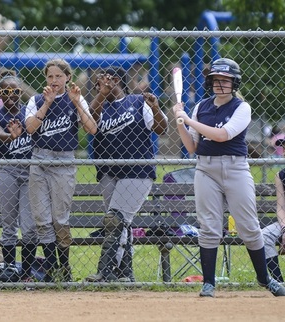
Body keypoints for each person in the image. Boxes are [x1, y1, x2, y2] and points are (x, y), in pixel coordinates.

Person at [172, 57, 285, 297]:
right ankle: (209, 283)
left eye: (225, 80)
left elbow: (224, 135)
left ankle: (265, 279)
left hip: (235, 169)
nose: (220, 84)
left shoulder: (241, 108)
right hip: (205, 169)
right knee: (209, 226)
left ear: (234, 83)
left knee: (249, 227)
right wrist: (180, 121)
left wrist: (189, 120)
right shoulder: (201, 107)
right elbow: (192, 147)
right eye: (216, 80)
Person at [85, 67, 168, 283]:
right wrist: (101, 95)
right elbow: (89, 126)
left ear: (117, 80)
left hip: (137, 169)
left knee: (116, 220)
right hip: (107, 171)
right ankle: (125, 273)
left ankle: (105, 270)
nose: (100, 85)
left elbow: (161, 128)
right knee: (121, 223)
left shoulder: (138, 102)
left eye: (105, 81)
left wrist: (156, 109)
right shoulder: (97, 105)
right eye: (97, 83)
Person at [24, 58, 97, 282]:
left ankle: (65, 268)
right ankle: (51, 268)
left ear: (67, 78)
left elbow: (91, 129)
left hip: (64, 163)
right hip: (40, 160)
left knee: (60, 218)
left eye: (59, 76)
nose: (54, 80)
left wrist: (76, 103)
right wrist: (46, 104)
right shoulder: (36, 100)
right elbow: (29, 128)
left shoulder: (76, 98)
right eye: (50, 76)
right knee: (42, 219)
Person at [0, 75, 38, 281]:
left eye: (16, 92)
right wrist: (12, 136)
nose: (10, 96)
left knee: (29, 227)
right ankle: (10, 270)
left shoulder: (30, 112)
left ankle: (26, 274)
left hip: (30, 172)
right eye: (5, 92)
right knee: (9, 224)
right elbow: (0, 134)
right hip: (7, 170)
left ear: (22, 93)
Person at [262, 169, 285, 283]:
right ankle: (279, 283)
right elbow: (280, 208)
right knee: (265, 235)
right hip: (284, 223)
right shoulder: (281, 175)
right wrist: (284, 229)